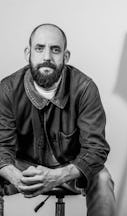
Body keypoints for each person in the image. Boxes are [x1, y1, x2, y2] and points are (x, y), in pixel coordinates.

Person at [0, 23, 115, 216]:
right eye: (39, 48)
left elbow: (96, 149)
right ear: (28, 53)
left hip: (69, 169)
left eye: (55, 50)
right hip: (22, 169)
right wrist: (15, 176)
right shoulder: (7, 89)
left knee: (102, 179)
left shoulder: (85, 88)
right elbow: (1, 146)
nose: (47, 57)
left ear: (65, 56)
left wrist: (57, 176)